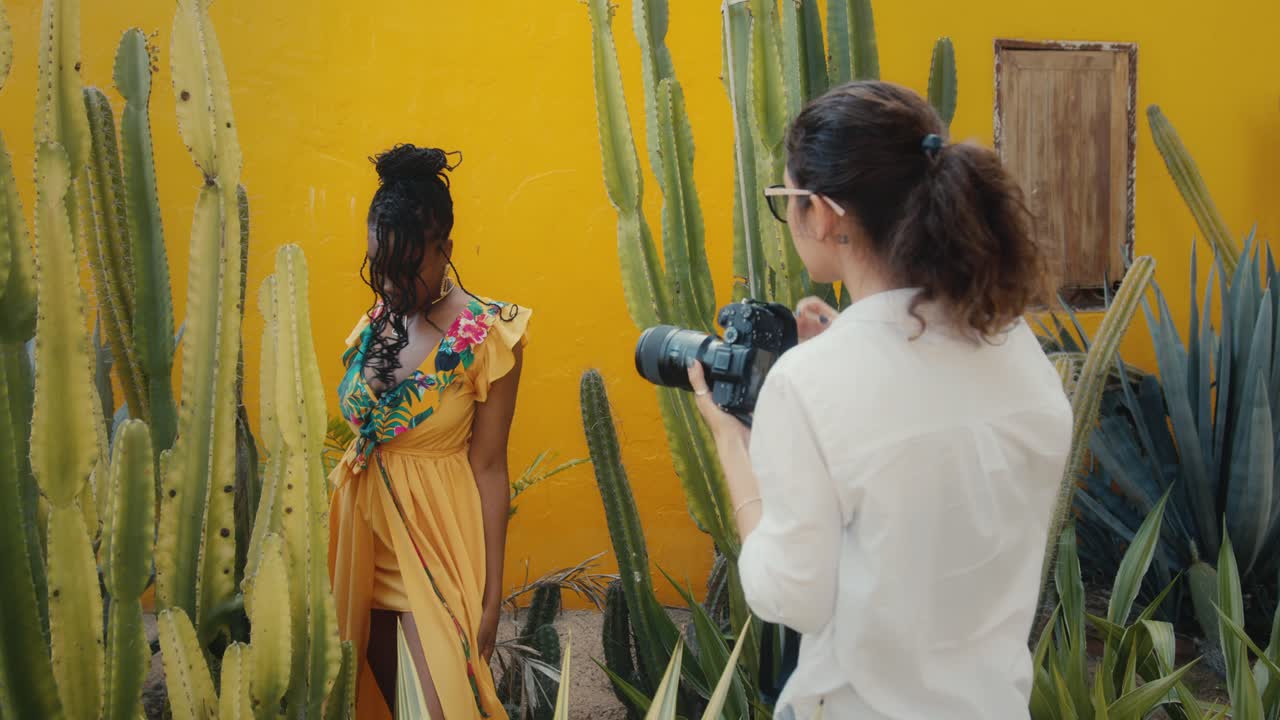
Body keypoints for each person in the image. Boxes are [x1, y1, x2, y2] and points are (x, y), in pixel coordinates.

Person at [689, 81, 1072, 719]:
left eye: (787, 201)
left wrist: (734, 443)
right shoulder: (1020, 353)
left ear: (825, 212)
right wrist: (846, 344)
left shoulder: (808, 385)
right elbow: (935, 442)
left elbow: (791, 596)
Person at [328, 144, 528, 719]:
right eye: (379, 265)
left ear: (446, 250)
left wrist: (491, 599)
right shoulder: (372, 325)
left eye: (406, 266)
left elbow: (490, 466)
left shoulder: (487, 335)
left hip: (435, 550)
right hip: (361, 550)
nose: (389, 283)